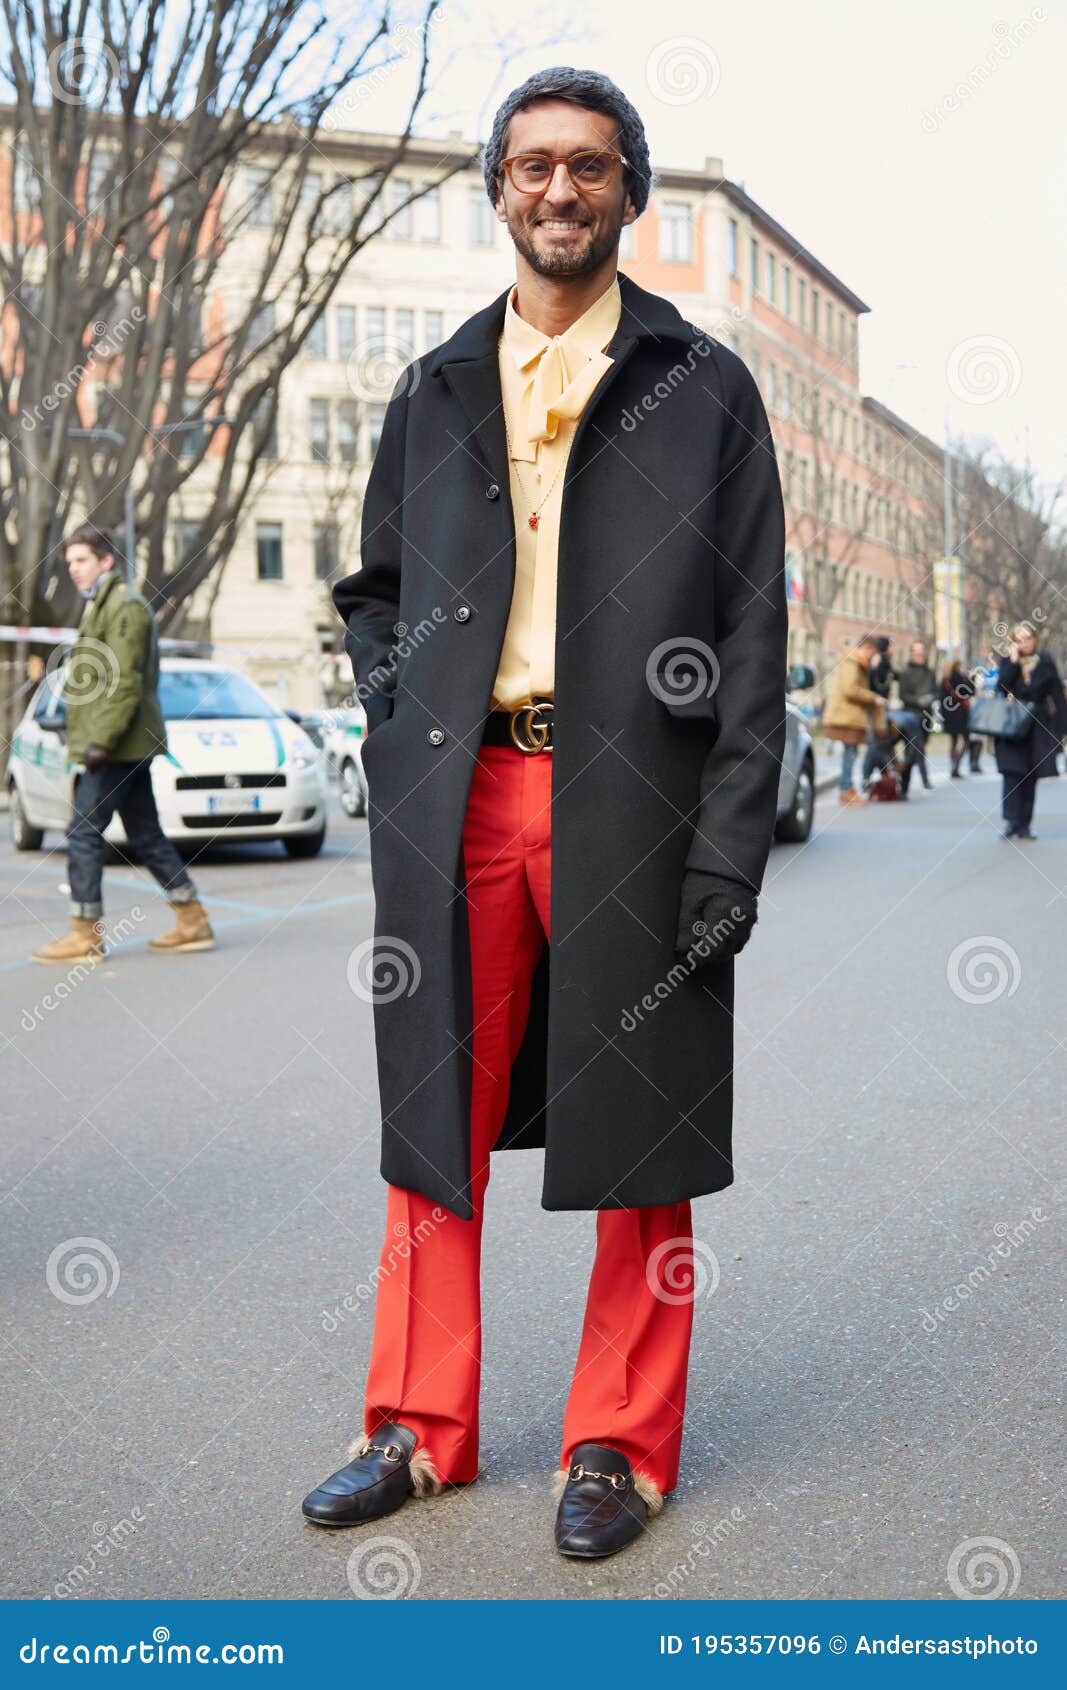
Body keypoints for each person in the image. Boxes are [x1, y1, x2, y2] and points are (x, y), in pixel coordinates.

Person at [302, 67, 788, 1562]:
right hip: (463, 799)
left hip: (629, 802)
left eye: (587, 166)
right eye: (530, 168)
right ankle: (415, 1425)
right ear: (498, 190)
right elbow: (376, 586)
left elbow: (755, 633)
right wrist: (400, 731)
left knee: (640, 1138)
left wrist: (723, 849)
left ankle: (617, 1446)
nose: (557, 191)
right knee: (427, 1126)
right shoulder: (437, 383)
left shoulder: (699, 386)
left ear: (628, 189)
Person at [31, 526, 215, 963]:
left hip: (118, 744)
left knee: (82, 833)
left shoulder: (124, 606)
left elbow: (124, 683)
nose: (73, 569)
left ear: (106, 560)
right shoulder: (105, 604)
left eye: (81, 560)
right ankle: (192, 918)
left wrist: (101, 741)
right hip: (125, 743)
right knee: (145, 832)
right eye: (70, 562)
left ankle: (85, 933)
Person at [994, 623, 1067, 840]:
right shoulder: (1008, 662)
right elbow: (1001, 687)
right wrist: (1014, 663)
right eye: (1019, 639)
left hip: (1037, 726)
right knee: (1011, 774)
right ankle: (1011, 822)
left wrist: (1062, 728)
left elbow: (1056, 695)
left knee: (1030, 775)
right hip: (1012, 726)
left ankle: (1025, 824)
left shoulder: (1045, 662)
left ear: (1035, 640)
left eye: (1027, 638)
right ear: (1012, 642)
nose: (1024, 643)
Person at [823, 635, 888, 804]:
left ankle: (848, 789)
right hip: (846, 716)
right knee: (850, 754)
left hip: (850, 715)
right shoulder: (852, 662)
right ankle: (846, 790)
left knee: (850, 753)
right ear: (869, 649)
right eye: (873, 654)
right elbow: (850, 689)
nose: (873, 657)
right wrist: (873, 698)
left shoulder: (858, 662)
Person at [896, 638, 937, 790]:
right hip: (910, 716)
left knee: (919, 749)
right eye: (917, 652)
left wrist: (930, 699)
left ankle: (909, 782)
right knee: (913, 749)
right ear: (912, 653)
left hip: (926, 716)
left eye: (922, 652)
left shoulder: (930, 672)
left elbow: (935, 690)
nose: (920, 655)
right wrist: (918, 701)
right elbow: (902, 695)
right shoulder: (905, 672)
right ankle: (910, 783)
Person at [861, 635, 895, 787]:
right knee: (875, 744)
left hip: (879, 707)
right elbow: (874, 684)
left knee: (880, 743)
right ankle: (867, 777)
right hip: (875, 708)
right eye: (892, 646)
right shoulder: (880, 663)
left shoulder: (885, 663)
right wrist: (873, 668)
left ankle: (882, 775)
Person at [940, 653, 973, 778]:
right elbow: (971, 690)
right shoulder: (960, 678)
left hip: (949, 715)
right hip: (961, 714)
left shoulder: (945, 680)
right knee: (966, 740)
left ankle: (953, 766)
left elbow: (942, 698)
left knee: (953, 741)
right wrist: (969, 678)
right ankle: (957, 765)